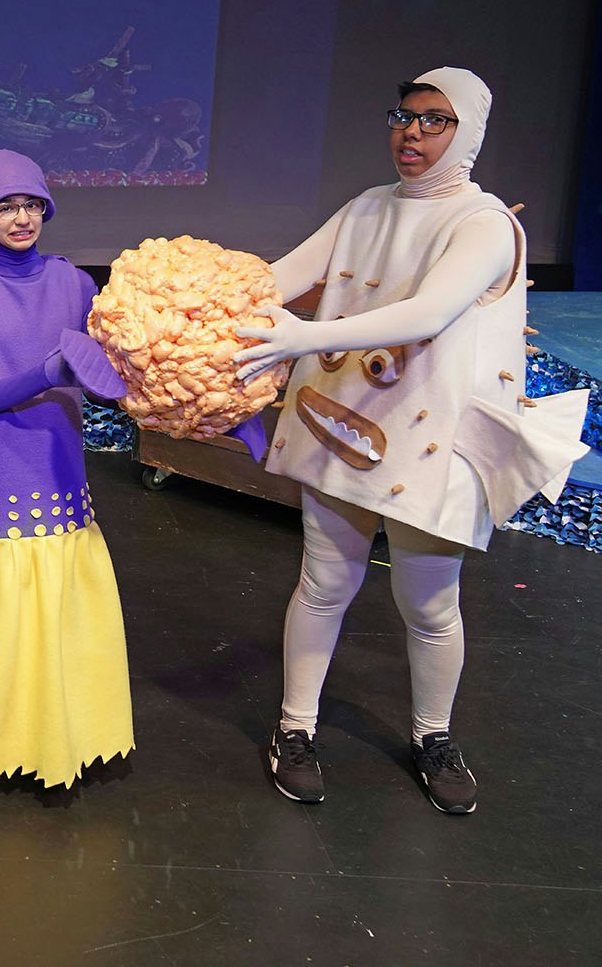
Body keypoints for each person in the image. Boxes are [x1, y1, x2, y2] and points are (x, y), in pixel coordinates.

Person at [237, 68, 589, 813]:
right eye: (404, 117)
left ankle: (434, 734)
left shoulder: (485, 224)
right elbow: (274, 279)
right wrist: (173, 305)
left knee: (428, 603)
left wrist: (307, 334)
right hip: (345, 424)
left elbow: (428, 311)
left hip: (432, 442)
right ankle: (295, 728)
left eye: (436, 121)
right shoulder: (366, 208)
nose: (413, 133)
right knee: (324, 581)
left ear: (470, 132)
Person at [0, 151, 134, 788]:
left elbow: (105, 378)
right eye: (5, 206)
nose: (20, 218)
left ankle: (63, 734)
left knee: (59, 618)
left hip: (56, 465)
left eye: (31, 205)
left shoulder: (76, 285)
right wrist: (49, 371)